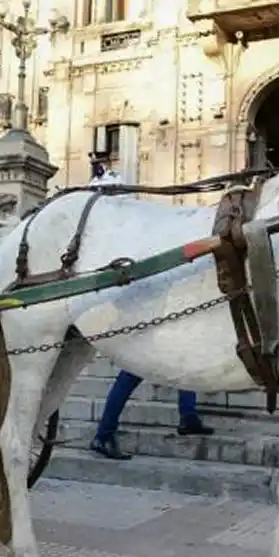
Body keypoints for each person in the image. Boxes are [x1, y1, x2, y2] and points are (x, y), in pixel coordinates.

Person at [84, 152, 214, 461]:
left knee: (186, 356)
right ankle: (103, 435)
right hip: (136, 315)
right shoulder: (112, 236)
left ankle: (187, 416)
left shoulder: (126, 229)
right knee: (131, 373)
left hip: (151, 309)